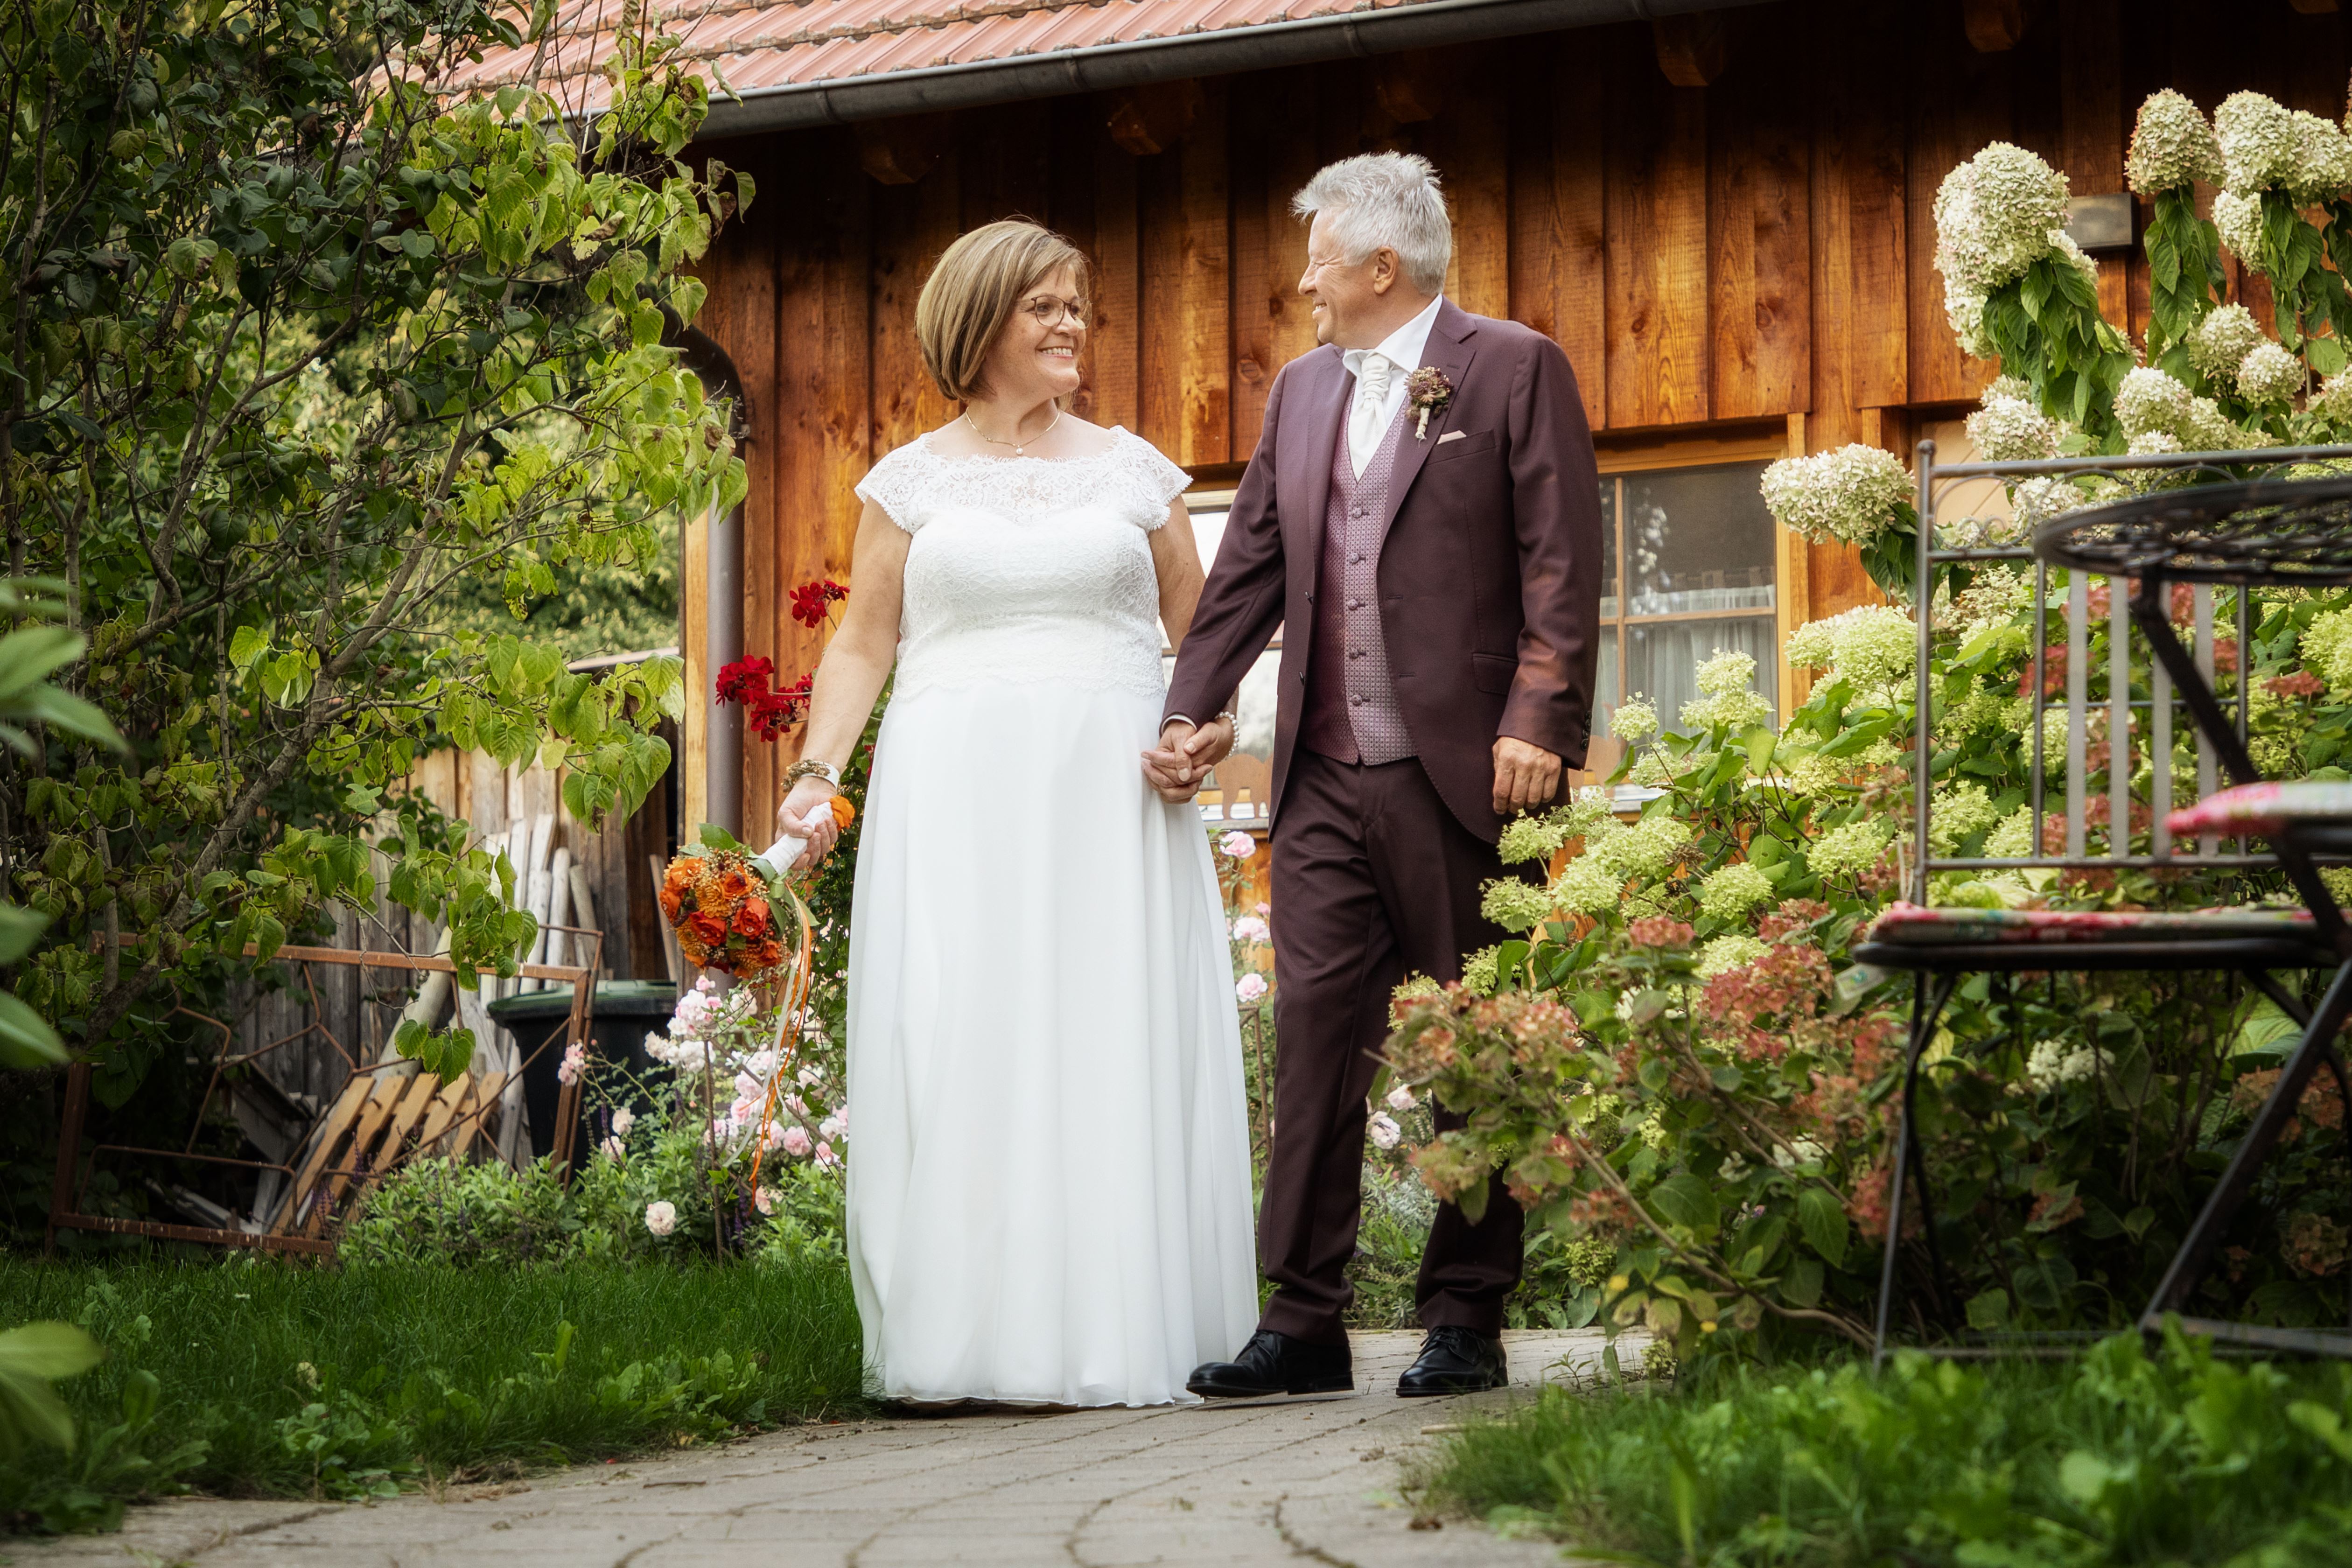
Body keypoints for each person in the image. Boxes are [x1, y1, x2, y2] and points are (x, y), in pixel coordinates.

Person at [779, 220, 1258, 1407]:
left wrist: (1206, 732)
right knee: (965, 1038)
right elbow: (864, 642)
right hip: (956, 794)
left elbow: (1203, 649)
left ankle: (1119, 1332)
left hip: (1111, 795)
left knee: (1106, 1035)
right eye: (1043, 305)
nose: (1069, 324)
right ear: (979, 322)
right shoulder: (910, 483)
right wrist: (816, 772)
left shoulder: (1137, 475)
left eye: (1076, 306)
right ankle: (969, 1343)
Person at [1151, 153, 1603, 1399]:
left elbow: (1563, 561)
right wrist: (1191, 712)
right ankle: (1302, 1321)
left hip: (1471, 774)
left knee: (1476, 1047)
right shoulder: (1298, 395)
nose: (1303, 281)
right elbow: (1247, 569)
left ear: (1381, 267)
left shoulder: (1514, 366)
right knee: (1313, 1042)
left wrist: (1541, 715)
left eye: (1317, 259)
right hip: (1322, 782)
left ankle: (1468, 1313)